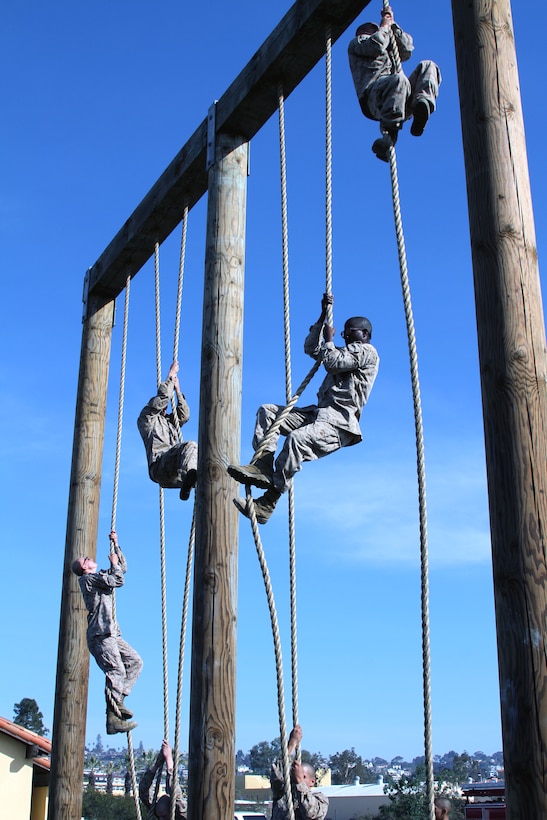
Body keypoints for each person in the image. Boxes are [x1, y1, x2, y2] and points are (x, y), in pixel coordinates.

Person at [228, 293, 379, 524]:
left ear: (365, 335)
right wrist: (321, 317)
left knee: (296, 440)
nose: (345, 334)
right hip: (318, 414)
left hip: (338, 423)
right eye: (344, 331)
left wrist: (329, 341)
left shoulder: (368, 352)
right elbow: (311, 348)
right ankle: (263, 465)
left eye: (351, 331)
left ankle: (269, 501)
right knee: (268, 412)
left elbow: (332, 362)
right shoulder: (341, 350)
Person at [348, 4, 441, 162]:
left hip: (399, 94)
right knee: (398, 79)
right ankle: (390, 135)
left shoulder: (387, 44)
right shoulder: (357, 44)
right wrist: (384, 27)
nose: (374, 31)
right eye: (371, 30)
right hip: (376, 98)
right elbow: (375, 45)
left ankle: (421, 105)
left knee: (428, 66)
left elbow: (407, 49)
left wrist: (393, 25)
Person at [72, 530, 143, 735]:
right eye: (86, 559)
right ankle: (112, 718)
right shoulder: (88, 581)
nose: (90, 558)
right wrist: (113, 564)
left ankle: (118, 701)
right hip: (100, 634)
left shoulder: (98, 578)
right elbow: (118, 580)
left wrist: (117, 545)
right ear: (85, 567)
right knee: (116, 671)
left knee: (135, 662)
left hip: (112, 634)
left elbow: (122, 570)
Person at [137, 361, 198, 501]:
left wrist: (178, 391)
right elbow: (162, 399)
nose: (165, 408)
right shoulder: (147, 418)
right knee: (190, 446)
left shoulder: (170, 422)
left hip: (174, 473)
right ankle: (189, 477)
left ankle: (191, 481)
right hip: (159, 466)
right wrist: (170, 377)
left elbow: (184, 415)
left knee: (204, 458)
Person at [271, 725, 329, 820]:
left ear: (312, 781)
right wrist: (292, 744)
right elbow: (277, 775)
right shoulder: (282, 797)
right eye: (294, 775)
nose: (296, 778)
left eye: (304, 776)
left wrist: (300, 782)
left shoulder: (320, 800)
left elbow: (310, 812)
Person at [139, 739, 187, 819]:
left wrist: (169, 759)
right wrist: (156, 766)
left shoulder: (183, 815)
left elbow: (175, 793)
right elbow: (143, 793)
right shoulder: (158, 813)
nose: (161, 819)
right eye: (159, 816)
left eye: (164, 816)